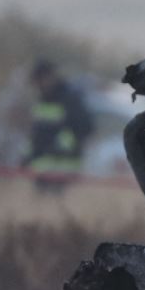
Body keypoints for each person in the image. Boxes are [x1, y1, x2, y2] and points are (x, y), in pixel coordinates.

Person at [26, 59, 92, 192]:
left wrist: (63, 144)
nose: (39, 85)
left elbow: (86, 128)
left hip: (64, 167)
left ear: (49, 77)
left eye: (40, 80)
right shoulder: (42, 100)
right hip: (42, 166)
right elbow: (37, 132)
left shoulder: (70, 98)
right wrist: (28, 155)